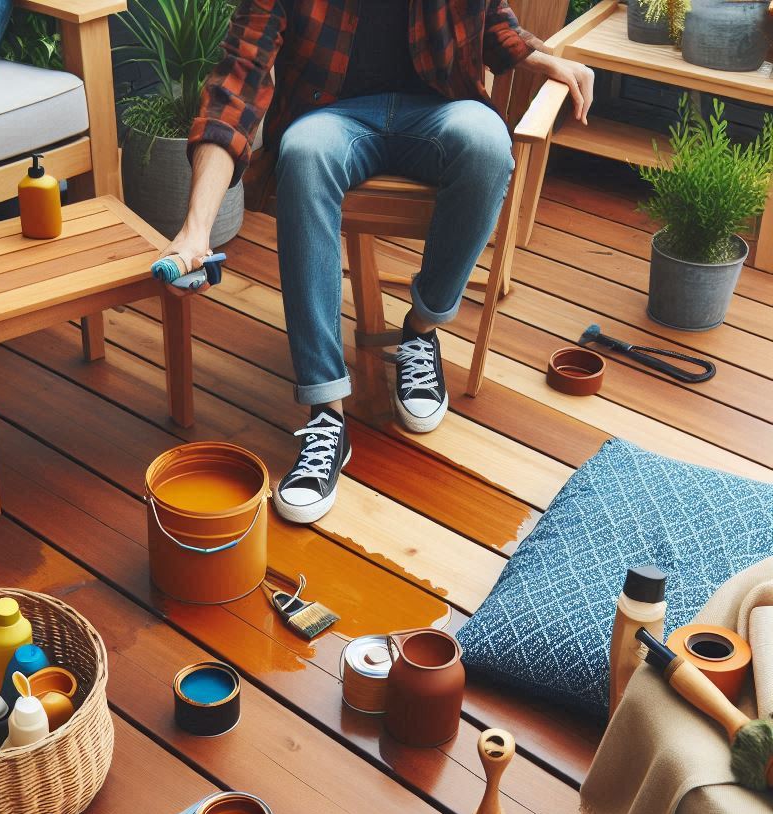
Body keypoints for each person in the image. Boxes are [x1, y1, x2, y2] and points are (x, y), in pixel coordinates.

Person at [162, 0, 594, 524]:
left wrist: (539, 57)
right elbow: (238, 77)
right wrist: (196, 229)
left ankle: (421, 328)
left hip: (440, 107)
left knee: (487, 147)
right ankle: (326, 415)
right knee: (303, 155)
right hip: (332, 116)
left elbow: (491, 21)